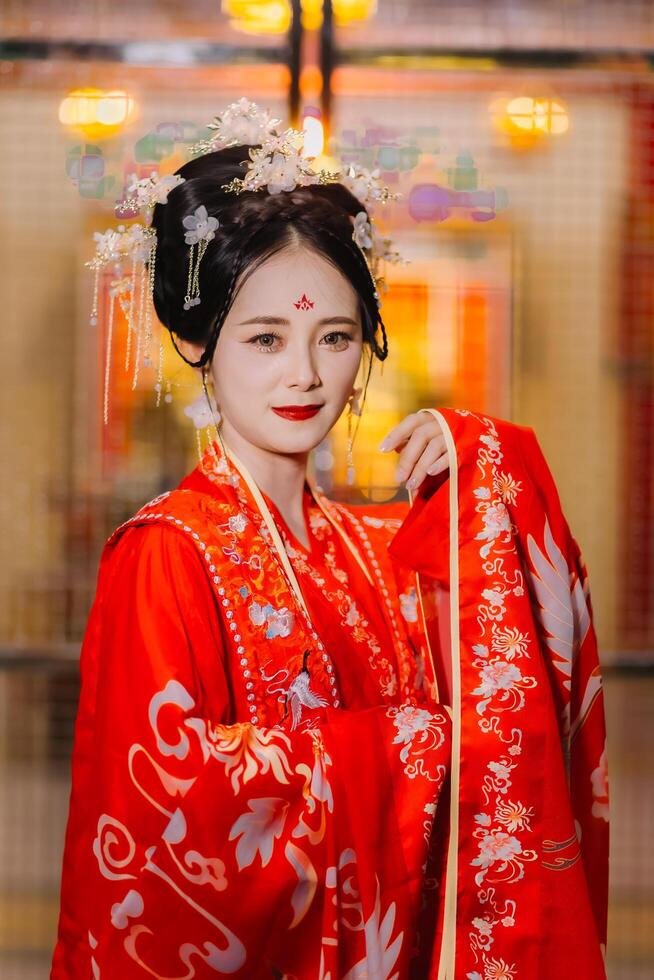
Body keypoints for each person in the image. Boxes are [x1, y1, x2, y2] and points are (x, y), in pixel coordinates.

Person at [51, 103, 609, 979]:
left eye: (336, 337)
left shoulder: (377, 545)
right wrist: (412, 746)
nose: (306, 374)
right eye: (266, 338)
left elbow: (528, 658)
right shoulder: (165, 552)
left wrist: (482, 470)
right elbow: (164, 817)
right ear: (196, 339)